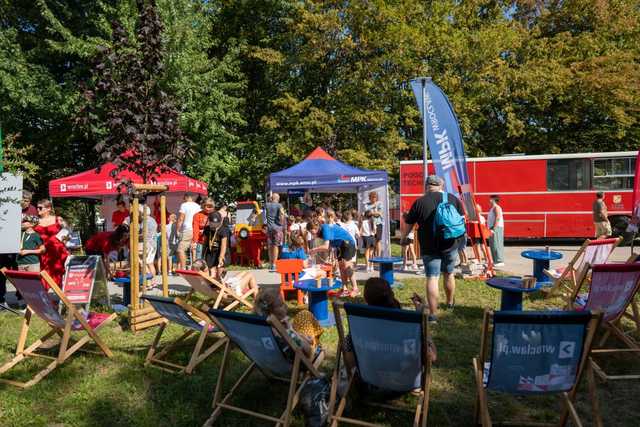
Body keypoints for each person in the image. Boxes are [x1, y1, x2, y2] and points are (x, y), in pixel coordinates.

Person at [341, 277, 437, 382]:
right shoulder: (407, 325)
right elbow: (432, 357)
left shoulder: (360, 324)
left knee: (347, 345)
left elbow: (347, 354)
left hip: (370, 380)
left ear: (366, 298)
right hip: (403, 382)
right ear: (391, 294)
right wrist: (422, 321)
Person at [401, 175, 464, 322]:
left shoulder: (420, 202)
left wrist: (404, 238)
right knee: (449, 273)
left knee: (432, 278)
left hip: (429, 246)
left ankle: (433, 315)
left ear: (426, 186)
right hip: (450, 244)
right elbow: (461, 221)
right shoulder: (453, 199)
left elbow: (409, 223)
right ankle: (449, 303)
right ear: (441, 186)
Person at [254, 287, 321, 358]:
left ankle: (312, 339)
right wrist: (291, 330)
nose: (286, 306)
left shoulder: (260, 329)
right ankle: (316, 343)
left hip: (271, 360)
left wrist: (300, 335)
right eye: (281, 305)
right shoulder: (282, 333)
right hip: (297, 363)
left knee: (304, 315)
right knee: (306, 316)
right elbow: (309, 352)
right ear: (270, 313)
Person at [307, 219, 359, 297]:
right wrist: (333, 256)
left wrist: (314, 250)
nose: (311, 234)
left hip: (347, 244)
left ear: (316, 228)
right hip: (340, 246)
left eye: (311, 231)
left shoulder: (325, 229)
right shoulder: (321, 232)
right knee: (341, 268)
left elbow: (326, 246)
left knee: (347, 266)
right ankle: (344, 289)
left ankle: (355, 289)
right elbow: (331, 245)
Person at [33, 199, 69, 288]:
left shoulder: (58, 219)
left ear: (48, 208)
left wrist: (64, 239)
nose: (37, 209)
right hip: (43, 251)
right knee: (44, 273)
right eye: (37, 207)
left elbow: (68, 231)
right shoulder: (35, 221)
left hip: (57, 250)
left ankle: (61, 296)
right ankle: (44, 298)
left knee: (58, 272)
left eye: (40, 208)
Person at [175, 193, 201, 270]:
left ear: (186, 197)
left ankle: (183, 268)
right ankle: (194, 267)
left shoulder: (184, 205)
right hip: (196, 229)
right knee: (194, 249)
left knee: (180, 249)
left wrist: (177, 230)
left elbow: (181, 218)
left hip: (187, 229)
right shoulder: (198, 206)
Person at [202, 211, 231, 279]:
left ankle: (221, 274)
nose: (214, 226)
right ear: (209, 221)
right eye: (212, 224)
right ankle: (213, 283)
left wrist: (221, 257)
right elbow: (205, 243)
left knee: (219, 273)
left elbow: (224, 246)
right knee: (211, 274)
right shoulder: (207, 229)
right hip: (211, 252)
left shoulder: (224, 230)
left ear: (220, 222)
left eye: (216, 224)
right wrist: (202, 255)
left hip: (221, 252)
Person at [265, 193, 286, 270]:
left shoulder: (267, 205)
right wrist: (282, 222)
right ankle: (274, 264)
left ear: (271, 198)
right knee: (275, 246)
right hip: (277, 228)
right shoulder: (279, 205)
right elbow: (282, 214)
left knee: (270, 246)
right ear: (278, 198)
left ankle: (270, 263)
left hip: (269, 228)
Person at [192, 198, 215, 263]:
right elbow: (195, 229)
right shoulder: (197, 215)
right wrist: (195, 242)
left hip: (213, 241)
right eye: (207, 206)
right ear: (203, 206)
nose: (208, 208)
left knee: (211, 261)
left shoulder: (216, 215)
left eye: (210, 207)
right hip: (201, 241)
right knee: (199, 260)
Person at [364, 191, 384, 257]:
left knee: (378, 240)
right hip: (369, 225)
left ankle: (378, 257)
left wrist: (371, 213)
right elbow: (366, 213)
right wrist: (374, 211)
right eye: (371, 197)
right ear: (369, 198)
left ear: (376, 198)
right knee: (372, 241)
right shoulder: (367, 204)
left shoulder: (380, 203)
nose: (373, 199)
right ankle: (372, 257)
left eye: (374, 197)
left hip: (378, 224)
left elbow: (380, 213)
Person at [487, 195, 505, 267]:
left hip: (496, 228)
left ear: (493, 200)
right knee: (493, 244)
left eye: (490, 199)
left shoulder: (496, 207)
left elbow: (498, 217)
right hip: (492, 227)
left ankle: (499, 260)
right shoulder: (493, 208)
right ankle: (495, 260)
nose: (489, 200)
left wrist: (493, 228)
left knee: (497, 243)